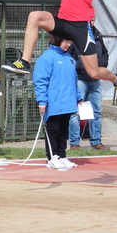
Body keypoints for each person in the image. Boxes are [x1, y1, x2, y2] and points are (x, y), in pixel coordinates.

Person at [34, 36, 82, 170]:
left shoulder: (70, 59)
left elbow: (74, 81)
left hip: (67, 101)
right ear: (58, 40)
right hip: (54, 102)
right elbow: (40, 81)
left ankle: (62, 155)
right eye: (66, 41)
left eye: (70, 42)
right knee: (53, 130)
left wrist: (78, 97)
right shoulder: (47, 57)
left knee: (63, 130)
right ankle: (52, 157)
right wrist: (42, 101)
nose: (69, 44)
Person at [68, 23, 108, 150]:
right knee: (75, 112)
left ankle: (96, 141)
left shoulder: (97, 35)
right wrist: (79, 66)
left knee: (96, 111)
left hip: (95, 79)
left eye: (92, 18)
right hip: (80, 79)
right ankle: (74, 143)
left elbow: (105, 52)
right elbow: (69, 54)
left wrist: (103, 64)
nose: (90, 21)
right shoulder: (76, 33)